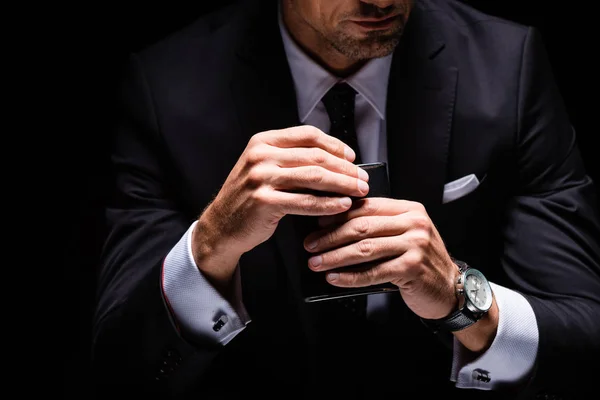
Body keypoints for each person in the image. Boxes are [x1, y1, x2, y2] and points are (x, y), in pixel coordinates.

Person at [91, 0, 600, 398]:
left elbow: (583, 338)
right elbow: (120, 366)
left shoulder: (508, 67)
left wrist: (462, 300)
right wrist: (209, 245)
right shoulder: (165, 86)